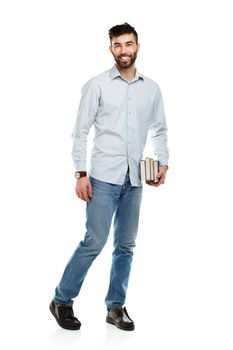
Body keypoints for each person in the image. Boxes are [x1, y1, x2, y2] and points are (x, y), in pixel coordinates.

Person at [49, 22, 169, 331]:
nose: (124, 51)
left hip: (135, 180)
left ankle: (115, 307)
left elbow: (159, 129)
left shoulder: (151, 88)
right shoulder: (97, 85)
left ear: (137, 47)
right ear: (110, 49)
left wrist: (163, 162)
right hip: (102, 178)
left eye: (129, 44)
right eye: (118, 45)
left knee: (126, 246)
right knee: (95, 241)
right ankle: (62, 299)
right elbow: (80, 132)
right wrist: (80, 173)